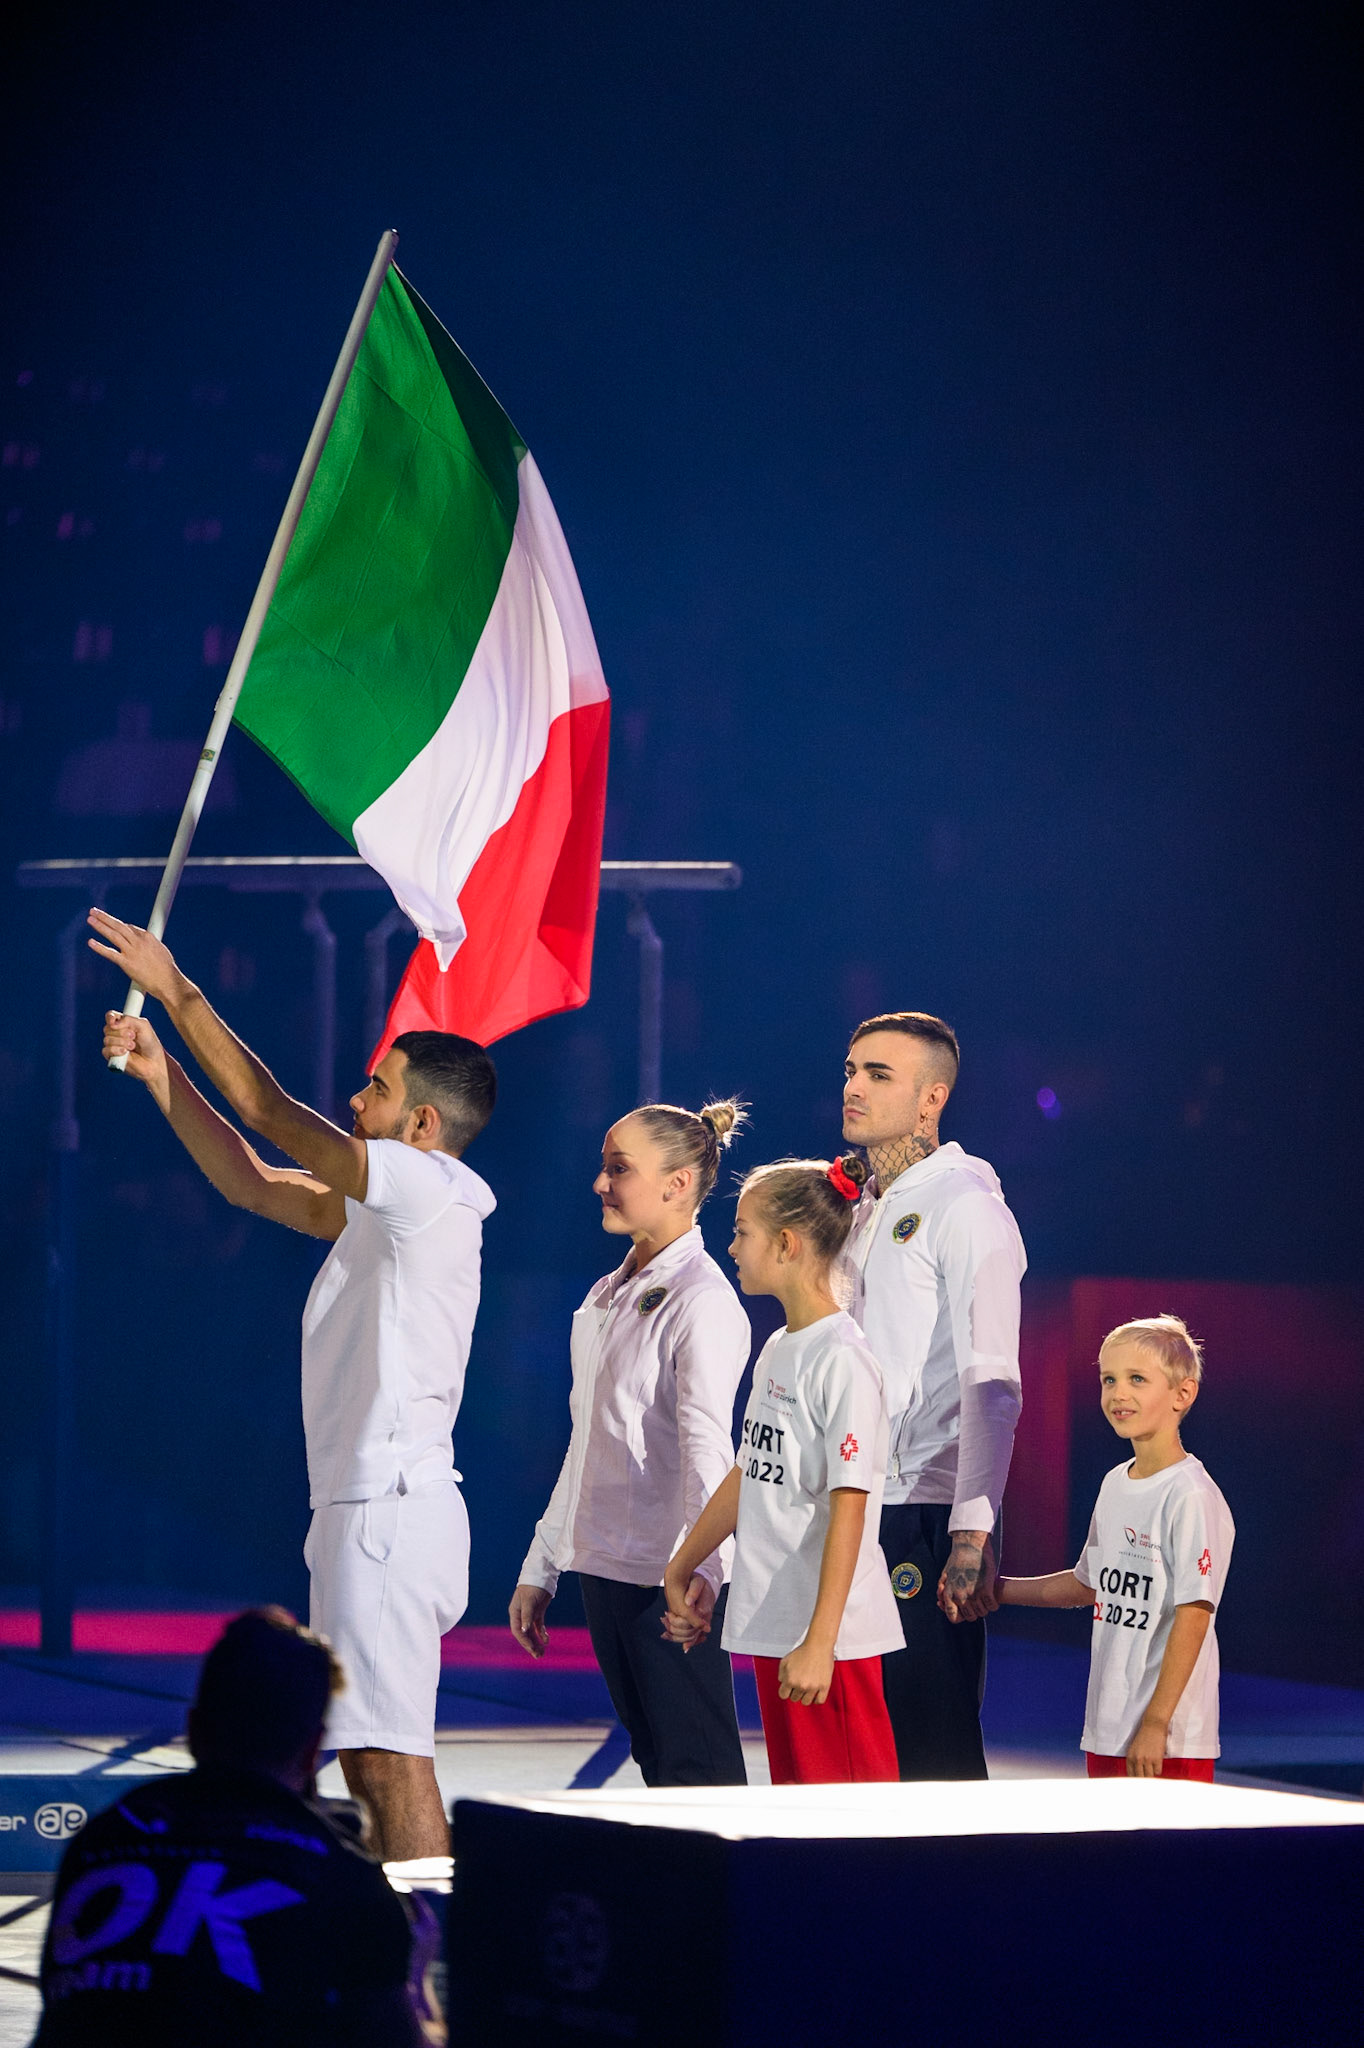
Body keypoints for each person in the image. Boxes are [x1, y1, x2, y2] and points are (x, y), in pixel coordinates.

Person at [90, 909, 497, 1859]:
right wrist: (164, 1077)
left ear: (422, 1125)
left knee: (389, 1763)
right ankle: (413, 1961)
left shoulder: (425, 1192)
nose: (356, 1101)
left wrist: (178, 988)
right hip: (367, 1507)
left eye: (376, 1089)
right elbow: (252, 1181)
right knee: (366, 1759)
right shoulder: (385, 1212)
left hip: (388, 1509)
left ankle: (427, 1976)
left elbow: (272, 1114)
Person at [35, 1608, 431, 2046]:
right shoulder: (343, 1876)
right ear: (313, 1749)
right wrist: (417, 1984)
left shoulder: (106, 1838)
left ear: (193, 1730)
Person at [509, 1101, 751, 1786]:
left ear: (677, 1184)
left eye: (619, 1169)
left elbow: (711, 1450)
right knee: (657, 1762)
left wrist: (703, 1572)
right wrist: (542, 1565)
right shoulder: (606, 1294)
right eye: (603, 1167)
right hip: (604, 1569)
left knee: (697, 1770)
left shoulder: (701, 1300)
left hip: (666, 1578)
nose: (600, 1183)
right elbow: (587, 1441)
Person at [664, 1156, 902, 1785]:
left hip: (829, 1642)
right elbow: (752, 1470)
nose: (732, 1245)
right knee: (799, 1826)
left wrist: (821, 1641)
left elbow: (852, 1506)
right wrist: (683, 1563)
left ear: (788, 1244)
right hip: (776, 1626)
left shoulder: (844, 1359)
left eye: (743, 1231)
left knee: (853, 1835)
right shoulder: (779, 1346)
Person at [839, 1010, 1026, 1780]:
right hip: (855, 1499)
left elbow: (993, 1380)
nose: (853, 1087)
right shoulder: (862, 1210)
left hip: (921, 1508)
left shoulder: (964, 1205)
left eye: (878, 1074)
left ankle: (968, 1897)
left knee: (931, 1743)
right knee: (861, 1747)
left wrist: (971, 1532)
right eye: (850, 1069)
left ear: (931, 1098)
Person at [995, 1315, 1235, 1780]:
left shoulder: (1190, 1495)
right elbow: (1089, 1584)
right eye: (1109, 1379)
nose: (1118, 1394)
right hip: (1108, 1727)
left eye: (1137, 1380)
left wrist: (1157, 1722)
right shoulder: (1114, 1483)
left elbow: (1195, 1613)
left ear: (1182, 1394)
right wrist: (997, 1591)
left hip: (1166, 1737)